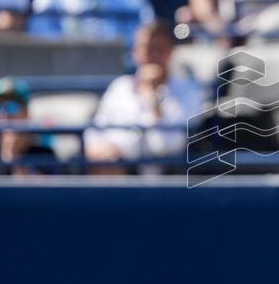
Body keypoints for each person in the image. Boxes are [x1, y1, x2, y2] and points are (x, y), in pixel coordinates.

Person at [85, 21, 208, 175]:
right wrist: (100, 150)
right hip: (117, 170)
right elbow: (96, 132)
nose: (152, 56)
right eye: (146, 49)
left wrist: (152, 96)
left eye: (159, 49)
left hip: (169, 177)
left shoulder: (189, 91)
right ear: (135, 52)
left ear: (170, 52)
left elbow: (166, 147)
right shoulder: (119, 87)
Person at [0, 77, 58, 176]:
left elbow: (47, 189)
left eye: (11, 107)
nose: (5, 114)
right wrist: (7, 156)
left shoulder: (45, 155)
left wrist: (16, 160)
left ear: (26, 113)